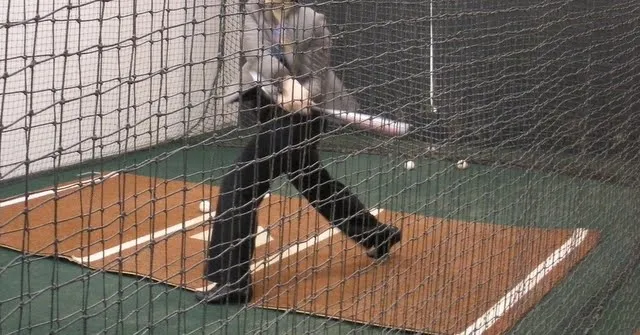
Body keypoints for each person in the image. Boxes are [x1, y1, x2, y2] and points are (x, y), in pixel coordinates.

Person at [196, 0, 402, 304]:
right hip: (271, 108)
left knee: (240, 185)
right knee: (315, 183)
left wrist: (306, 93)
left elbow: (319, 72)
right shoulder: (253, 12)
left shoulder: (313, 20)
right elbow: (256, 54)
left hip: (302, 119)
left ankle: (233, 281)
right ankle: (377, 234)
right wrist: (286, 84)